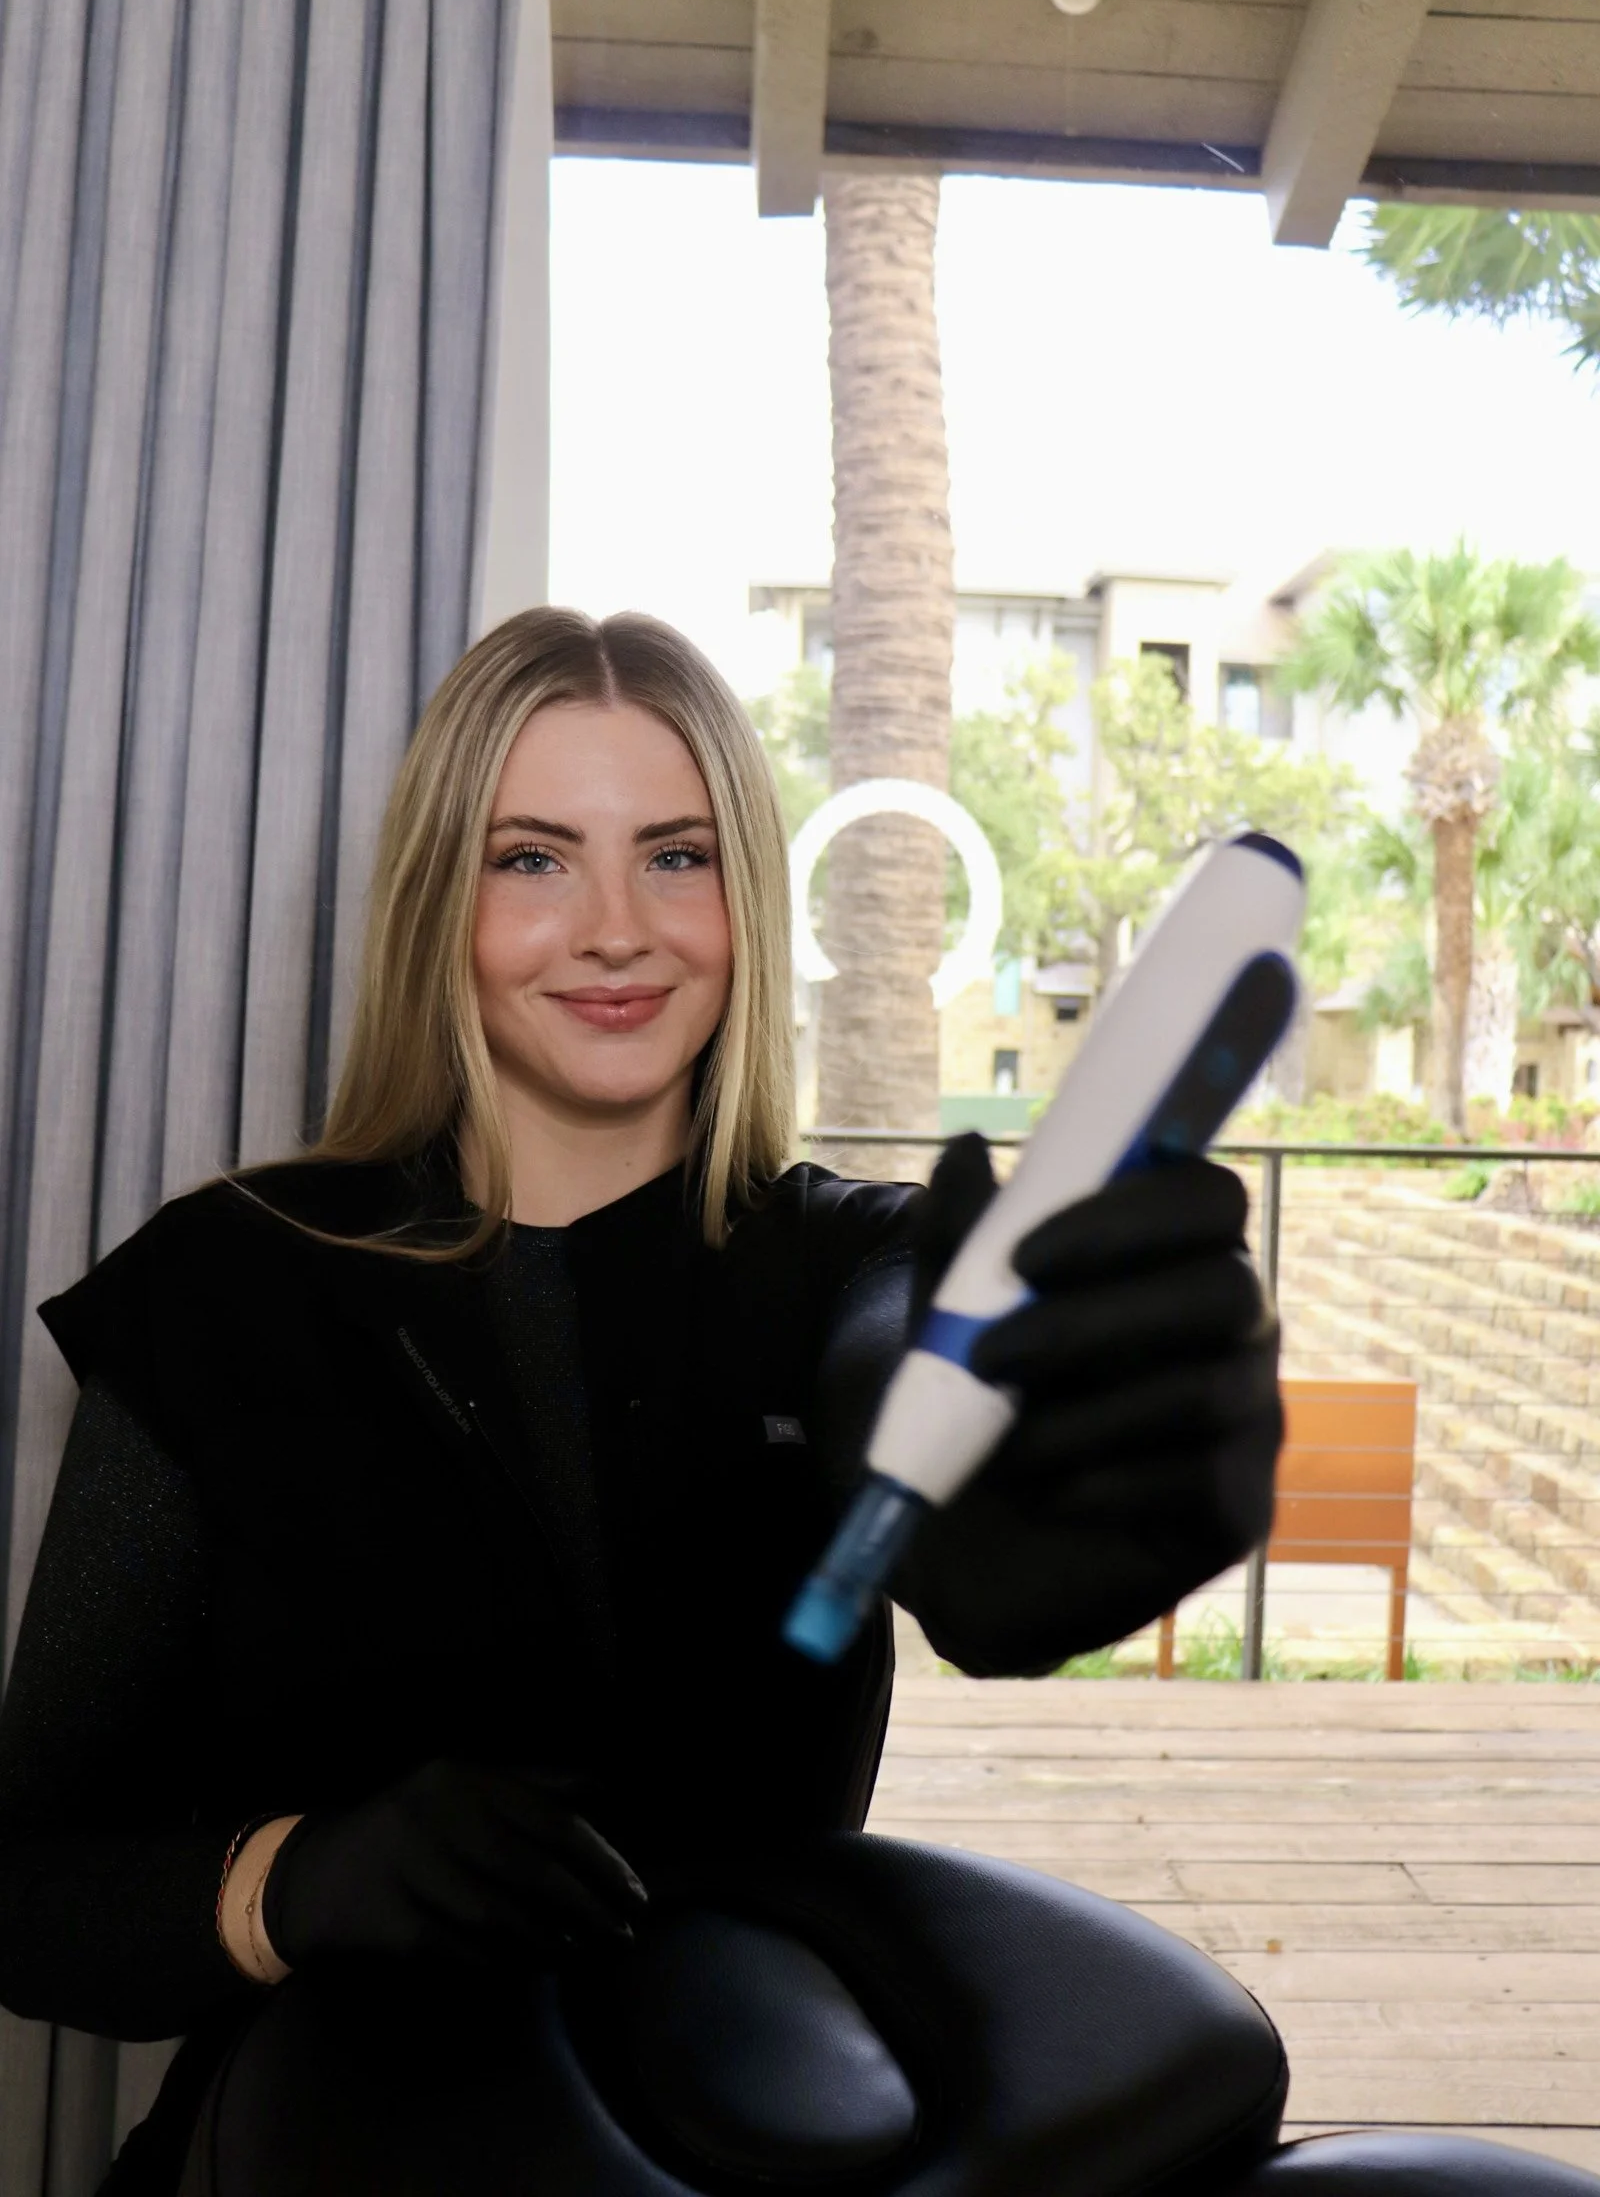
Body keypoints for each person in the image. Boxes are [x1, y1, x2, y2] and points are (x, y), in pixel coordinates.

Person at [1, 610, 1281, 2196]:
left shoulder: (847, 1265)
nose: (617, 928)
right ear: (439, 908)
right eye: (533, 859)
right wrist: (290, 1880)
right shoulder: (220, 1289)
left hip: (754, 2136)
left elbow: (904, 1375)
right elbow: (21, 1889)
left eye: (676, 857)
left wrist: (1011, 1478)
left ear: (745, 901)